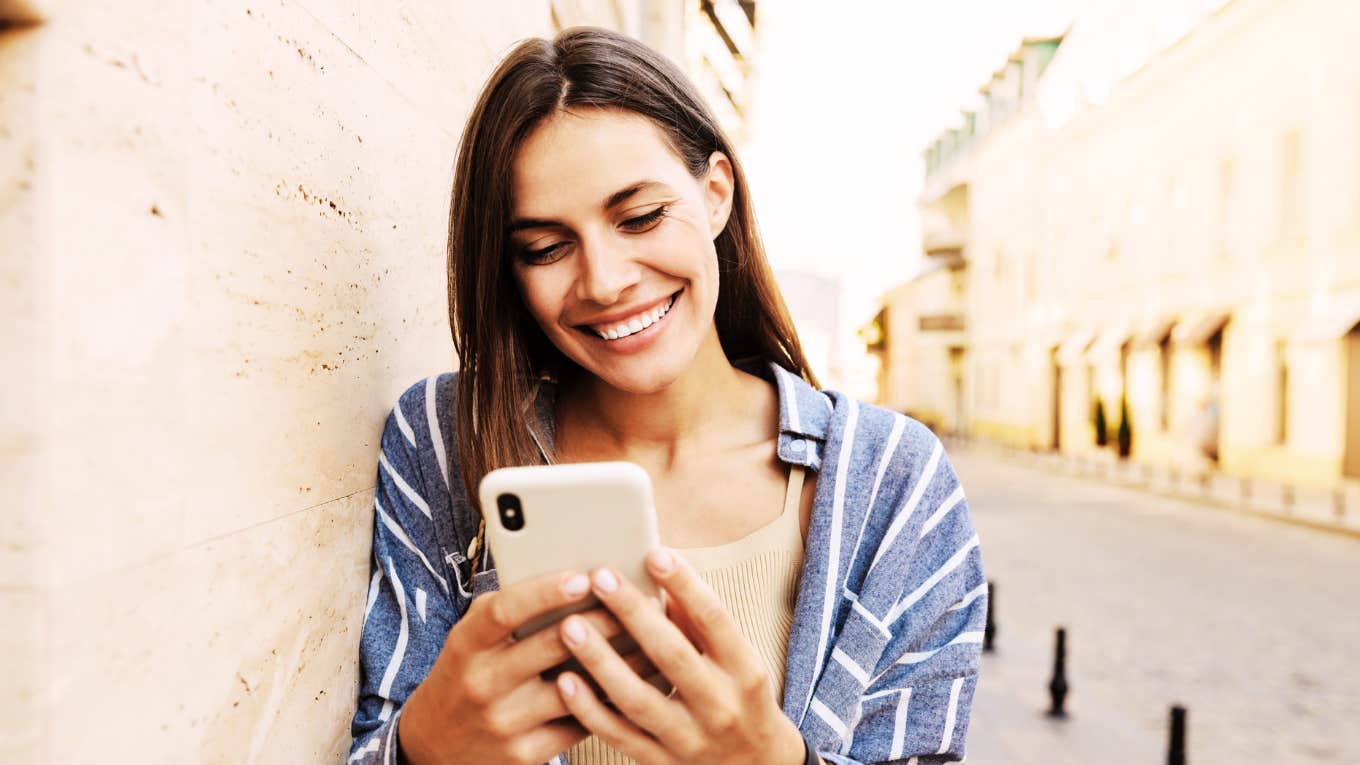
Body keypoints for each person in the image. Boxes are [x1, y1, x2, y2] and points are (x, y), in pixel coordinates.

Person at [348, 26, 986, 765]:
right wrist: (422, 748)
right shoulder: (441, 444)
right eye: (546, 247)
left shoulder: (895, 484)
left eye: (641, 216)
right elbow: (379, 739)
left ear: (715, 195)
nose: (605, 280)